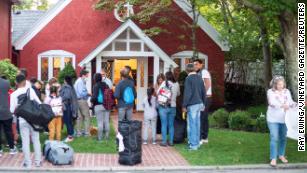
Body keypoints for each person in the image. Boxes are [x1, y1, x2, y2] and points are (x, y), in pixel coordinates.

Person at [10, 74, 42, 168]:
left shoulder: (13, 94)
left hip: (23, 119)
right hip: (34, 118)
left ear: (16, 83)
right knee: (36, 140)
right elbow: (39, 103)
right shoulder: (31, 90)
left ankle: (27, 163)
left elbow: (12, 110)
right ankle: (38, 162)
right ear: (25, 82)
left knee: (25, 141)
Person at [266, 76, 296, 167]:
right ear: (274, 84)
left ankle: (281, 155)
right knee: (274, 137)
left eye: (282, 83)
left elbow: (290, 102)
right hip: (273, 119)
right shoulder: (270, 92)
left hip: (285, 119)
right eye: (278, 84)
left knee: (283, 138)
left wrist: (298, 104)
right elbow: (271, 103)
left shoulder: (287, 91)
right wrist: (283, 106)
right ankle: (273, 158)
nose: (280, 85)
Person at [182, 63, 206, 150]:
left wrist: (184, 105)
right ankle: (197, 143)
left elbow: (187, 93)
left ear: (187, 70)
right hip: (200, 103)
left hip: (192, 104)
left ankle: (193, 145)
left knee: (192, 125)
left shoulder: (188, 79)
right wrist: (204, 103)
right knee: (197, 124)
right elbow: (204, 91)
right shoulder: (199, 78)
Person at [157, 71, 180, 147]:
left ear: (166, 77)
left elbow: (158, 92)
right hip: (173, 106)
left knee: (164, 124)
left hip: (163, 106)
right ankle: (171, 141)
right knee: (171, 125)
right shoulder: (176, 84)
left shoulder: (164, 83)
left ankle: (164, 142)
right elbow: (178, 94)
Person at [193, 59, 212, 144]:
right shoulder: (197, 73)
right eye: (194, 65)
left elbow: (208, 84)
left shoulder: (204, 72)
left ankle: (201, 138)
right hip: (203, 98)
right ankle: (204, 137)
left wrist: (202, 95)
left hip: (205, 98)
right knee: (204, 117)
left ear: (201, 65)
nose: (195, 66)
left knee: (201, 117)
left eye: (196, 64)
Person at [0, 76, 17, 157]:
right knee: (9, 131)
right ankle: (12, 149)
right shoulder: (6, 82)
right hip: (6, 110)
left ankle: (0, 150)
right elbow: (9, 92)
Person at [91, 73, 110, 141]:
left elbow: (94, 97)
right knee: (106, 121)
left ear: (95, 78)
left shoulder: (95, 86)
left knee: (100, 122)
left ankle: (100, 138)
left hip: (98, 105)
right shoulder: (106, 85)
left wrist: (91, 100)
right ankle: (107, 137)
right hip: (107, 105)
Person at [60, 76, 78, 142]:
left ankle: (70, 136)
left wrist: (60, 97)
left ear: (65, 80)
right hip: (71, 106)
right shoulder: (71, 87)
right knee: (69, 121)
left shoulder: (66, 87)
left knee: (68, 121)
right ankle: (71, 133)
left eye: (64, 80)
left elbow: (66, 96)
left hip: (67, 106)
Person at [74, 69, 91, 137]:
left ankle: (79, 133)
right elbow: (81, 93)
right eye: (87, 75)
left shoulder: (78, 81)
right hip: (82, 100)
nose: (88, 76)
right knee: (87, 117)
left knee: (79, 117)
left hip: (77, 100)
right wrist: (88, 93)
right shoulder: (81, 82)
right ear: (83, 75)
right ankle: (87, 133)